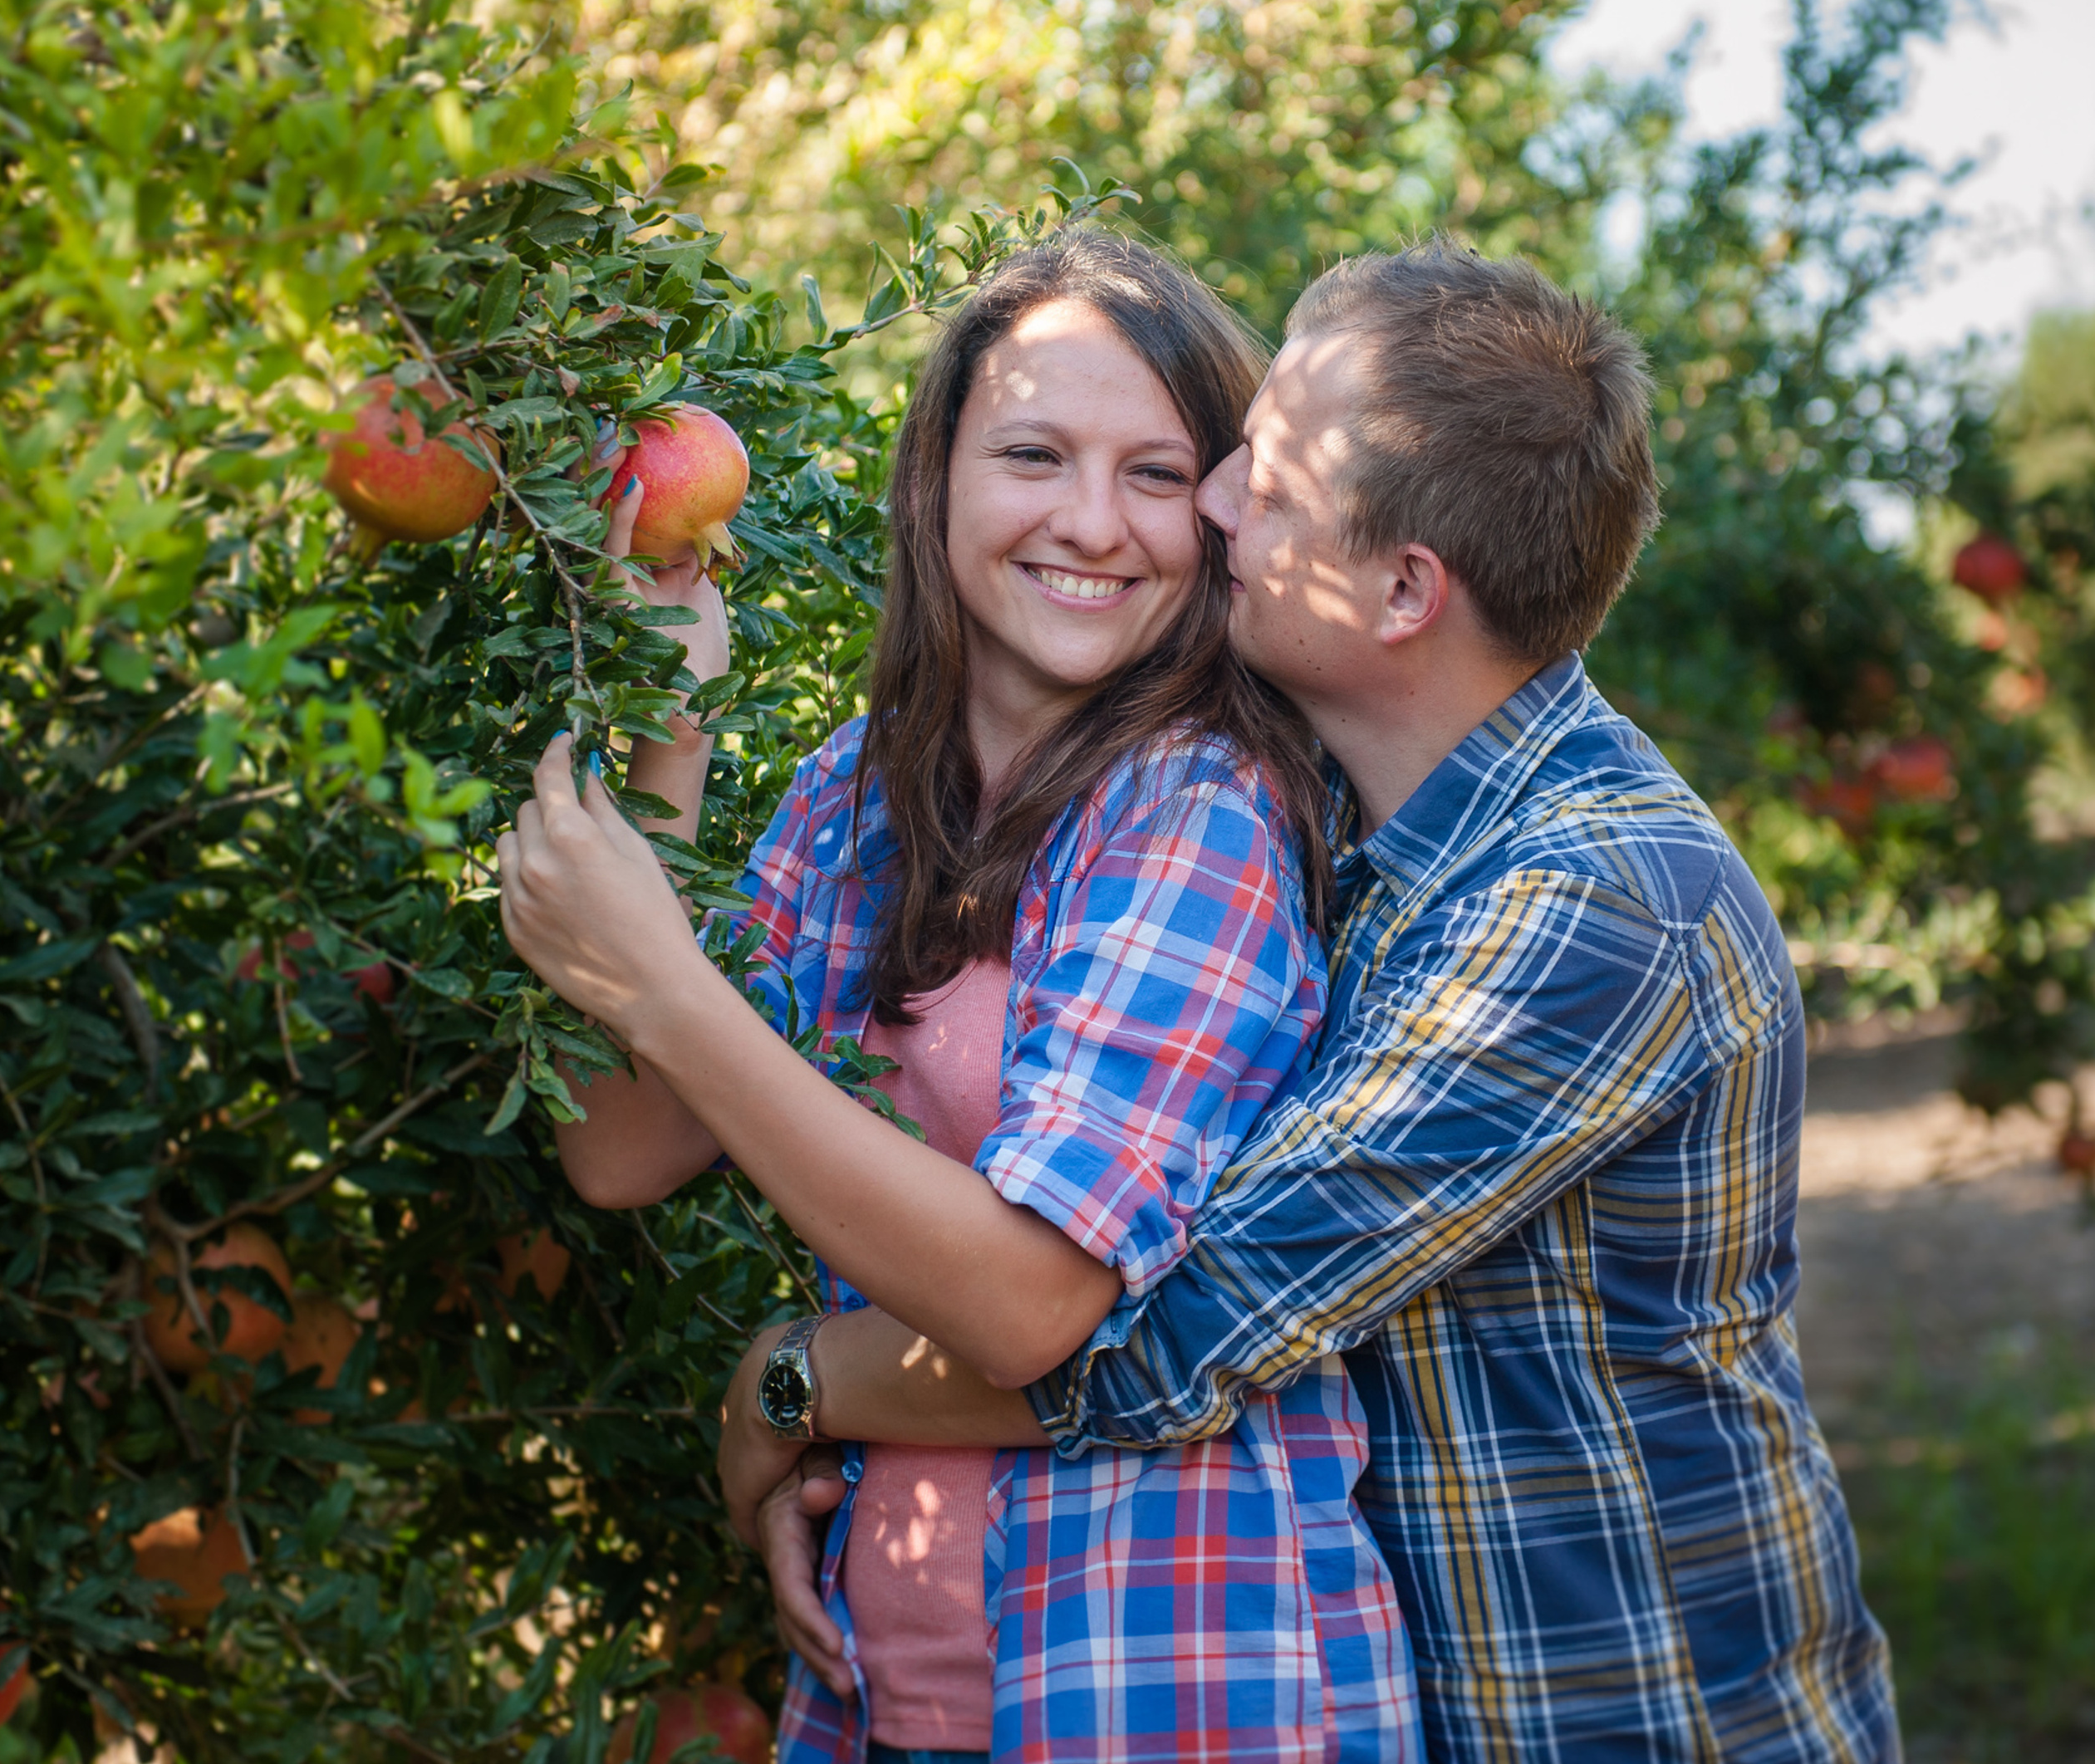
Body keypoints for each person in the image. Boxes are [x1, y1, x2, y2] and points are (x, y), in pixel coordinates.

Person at [727, 242, 1903, 1763]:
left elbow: (1159, 1337)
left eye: (1264, 484)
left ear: (1405, 590)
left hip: (1630, 1713)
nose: (1209, 502)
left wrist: (794, 1383)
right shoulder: (1361, 830)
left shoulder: (1588, 903)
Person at [497, 231, 1420, 1763]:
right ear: (933, 483)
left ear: (1223, 510)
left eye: (1153, 473)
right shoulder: (860, 803)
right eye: (1035, 454)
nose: (1090, 523)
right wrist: (670, 734)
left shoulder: (1202, 811)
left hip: (1168, 1682)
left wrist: (666, 988)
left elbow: (1032, 1300)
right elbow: (619, 1143)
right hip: (897, 1690)